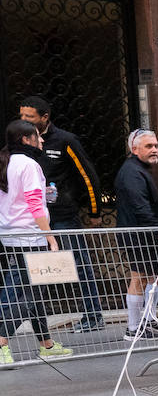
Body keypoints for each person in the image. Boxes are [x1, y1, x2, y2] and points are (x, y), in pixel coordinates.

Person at [18, 96, 103, 332]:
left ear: (44, 118)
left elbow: (88, 176)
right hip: (34, 218)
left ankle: (93, 315)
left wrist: (94, 211)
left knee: (80, 264)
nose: (24, 120)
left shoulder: (65, 141)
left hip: (62, 216)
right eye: (22, 116)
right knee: (34, 270)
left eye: (29, 117)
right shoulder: (20, 142)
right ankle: (36, 326)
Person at [0, 120, 69, 365]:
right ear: (25, 140)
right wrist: (50, 236)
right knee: (33, 294)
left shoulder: (6, 162)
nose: (42, 141)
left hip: (11, 235)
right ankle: (1, 341)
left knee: (32, 291)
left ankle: (46, 344)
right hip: (31, 235)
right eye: (37, 137)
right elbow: (33, 204)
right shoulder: (29, 165)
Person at [115, 129, 158, 340]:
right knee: (139, 278)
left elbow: (141, 202)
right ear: (134, 149)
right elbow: (139, 206)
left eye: (156, 146)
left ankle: (149, 318)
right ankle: (133, 328)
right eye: (149, 146)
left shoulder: (139, 169)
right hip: (137, 234)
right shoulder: (132, 171)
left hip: (143, 232)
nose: (155, 150)